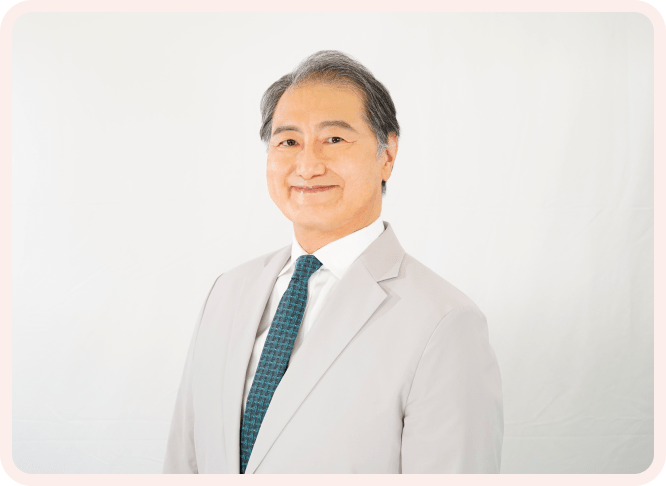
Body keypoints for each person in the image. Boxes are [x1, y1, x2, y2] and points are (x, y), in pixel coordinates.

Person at [163, 50, 503, 474]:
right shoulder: (227, 292)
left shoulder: (445, 322)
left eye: (334, 139)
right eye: (289, 142)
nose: (307, 166)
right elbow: (185, 462)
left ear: (387, 156)